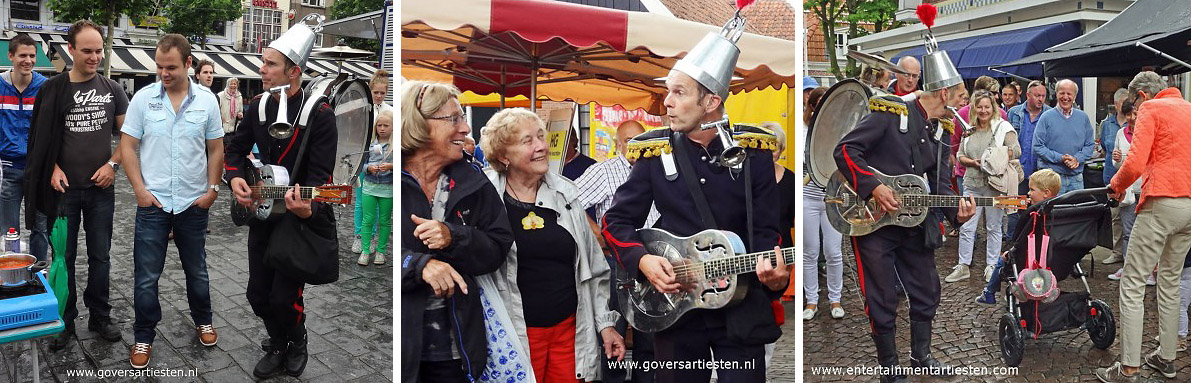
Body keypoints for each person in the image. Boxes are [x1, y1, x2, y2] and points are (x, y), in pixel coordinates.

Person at [601, 19, 788, 382]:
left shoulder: (754, 149)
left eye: (679, 93)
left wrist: (776, 279)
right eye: (667, 91)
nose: (667, 103)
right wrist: (643, 261)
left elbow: (768, 231)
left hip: (740, 307)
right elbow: (616, 221)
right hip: (676, 310)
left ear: (711, 101)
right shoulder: (654, 151)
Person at [834, 42, 976, 382]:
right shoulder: (890, 112)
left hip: (915, 224)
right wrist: (874, 187)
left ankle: (921, 356)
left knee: (927, 289)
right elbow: (846, 151)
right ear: (944, 94)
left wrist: (958, 214)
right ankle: (889, 368)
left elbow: (941, 187)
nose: (961, 108)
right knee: (880, 296)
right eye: (959, 100)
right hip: (872, 223)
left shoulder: (942, 132)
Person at [224, 25, 337, 378]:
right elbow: (236, 150)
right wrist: (236, 177)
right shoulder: (257, 105)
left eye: (270, 64)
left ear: (294, 72)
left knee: (283, 296)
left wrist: (311, 204)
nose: (262, 69)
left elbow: (322, 178)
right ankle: (278, 341)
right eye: (263, 62)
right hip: (262, 213)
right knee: (257, 294)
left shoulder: (320, 114)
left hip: (296, 218)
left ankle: (296, 339)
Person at [480, 107, 625, 382]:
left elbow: (593, 267)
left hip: (569, 331)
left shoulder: (565, 191)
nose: (541, 147)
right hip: (515, 332)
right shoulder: (486, 195)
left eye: (540, 137)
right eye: (527, 141)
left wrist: (605, 325)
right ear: (503, 155)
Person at [117, 34, 224, 368]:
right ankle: (144, 336)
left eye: (171, 67)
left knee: (198, 271)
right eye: (159, 67)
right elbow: (127, 145)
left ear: (188, 63)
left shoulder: (207, 100)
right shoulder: (143, 100)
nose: (163, 73)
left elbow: (216, 148)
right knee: (146, 276)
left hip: (194, 203)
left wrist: (213, 190)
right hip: (154, 204)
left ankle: (203, 319)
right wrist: (139, 190)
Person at [399, 81, 513, 382]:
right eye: (454, 119)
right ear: (420, 124)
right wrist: (419, 265)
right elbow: (378, 250)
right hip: (399, 345)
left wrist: (454, 236)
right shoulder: (390, 175)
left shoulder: (471, 179)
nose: (465, 129)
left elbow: (498, 246)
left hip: (455, 349)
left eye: (463, 118)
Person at [26, 20, 128, 351]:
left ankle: (100, 316)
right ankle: (64, 319)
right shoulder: (52, 89)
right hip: (63, 193)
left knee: (101, 256)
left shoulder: (113, 89)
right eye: (87, 51)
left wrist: (113, 165)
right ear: (70, 50)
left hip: (101, 192)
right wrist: (52, 168)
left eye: (99, 50)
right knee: (63, 257)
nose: (94, 56)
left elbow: (130, 137)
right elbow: (39, 141)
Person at [1097, 71, 1191, 382]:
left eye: (1133, 107)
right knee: (1170, 281)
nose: (1134, 115)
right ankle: (1166, 357)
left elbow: (1134, 164)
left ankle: (1128, 367)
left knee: (1133, 283)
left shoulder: (1152, 109)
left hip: (1161, 201)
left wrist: (1116, 184)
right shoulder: (1189, 109)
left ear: (1143, 97)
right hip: (1190, 206)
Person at [574, 119, 656, 383]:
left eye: (640, 140)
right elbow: (570, 200)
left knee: (650, 332)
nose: (635, 146)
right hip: (615, 263)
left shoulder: (655, 167)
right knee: (614, 332)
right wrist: (597, 233)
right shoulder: (604, 171)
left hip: (652, 262)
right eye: (629, 141)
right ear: (618, 145)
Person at [946, 90, 1019, 284]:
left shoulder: (1002, 127)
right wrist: (973, 162)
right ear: (974, 108)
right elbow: (960, 155)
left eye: (987, 106)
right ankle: (963, 265)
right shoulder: (969, 130)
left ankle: (992, 267)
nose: (983, 110)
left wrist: (996, 158)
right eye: (980, 107)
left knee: (994, 227)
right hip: (971, 182)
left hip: (994, 184)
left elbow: (1016, 150)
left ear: (993, 108)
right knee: (967, 225)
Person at [974, 168, 1060, 305]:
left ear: (1046, 193)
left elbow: (1020, 241)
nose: (1028, 193)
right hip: (1055, 257)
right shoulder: (1060, 211)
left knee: (1002, 260)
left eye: (1032, 190)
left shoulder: (1034, 215)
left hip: (1030, 259)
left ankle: (989, 293)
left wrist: (1009, 252)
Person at [0, 33, 48, 261]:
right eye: (22, 55)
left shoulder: (44, 87)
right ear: (11, 56)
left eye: (32, 55)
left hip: (38, 169)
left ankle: (39, 273)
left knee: (40, 227)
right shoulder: (0, 86)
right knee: (9, 230)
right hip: (8, 169)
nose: (28, 60)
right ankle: (11, 275)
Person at [801, 96, 843, 320]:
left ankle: (835, 299)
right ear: (812, 107)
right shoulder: (802, 129)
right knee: (810, 252)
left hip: (832, 198)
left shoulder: (837, 130)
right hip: (807, 198)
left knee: (833, 252)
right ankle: (811, 301)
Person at [1107, 101, 1154, 285]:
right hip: (1127, 191)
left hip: (1145, 189)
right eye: (1128, 114)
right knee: (1128, 232)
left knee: (1146, 233)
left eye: (1134, 114)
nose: (1131, 118)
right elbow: (1118, 166)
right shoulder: (1121, 133)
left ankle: (1147, 271)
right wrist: (1116, 159)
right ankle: (1127, 267)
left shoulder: (1147, 132)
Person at [352, 69, 395, 254]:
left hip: (384, 161)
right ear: (370, 91)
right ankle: (359, 236)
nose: (378, 96)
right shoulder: (362, 108)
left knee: (379, 204)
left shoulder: (390, 111)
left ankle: (372, 237)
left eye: (382, 93)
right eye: (375, 92)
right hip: (365, 158)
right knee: (361, 202)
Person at [1005, 81, 1051, 243]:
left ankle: (1034, 242)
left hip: (1039, 171)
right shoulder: (1014, 113)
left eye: (1043, 96)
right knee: (1014, 207)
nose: (1040, 99)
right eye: (1037, 96)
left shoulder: (1049, 114)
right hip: (1017, 170)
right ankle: (1013, 242)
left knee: (1038, 209)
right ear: (1028, 95)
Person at [1032, 79, 1094, 194]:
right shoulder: (1046, 117)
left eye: (1069, 93)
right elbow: (1037, 147)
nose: (1065, 97)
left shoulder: (1083, 118)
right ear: (1056, 94)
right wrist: (1061, 158)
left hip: (1076, 179)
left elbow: (1090, 145)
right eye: (1062, 93)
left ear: (1075, 96)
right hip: (1051, 179)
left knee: (1076, 211)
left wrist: (1077, 159)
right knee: (1053, 211)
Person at [357, 110, 393, 266]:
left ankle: (381, 251)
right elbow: (360, 164)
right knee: (368, 219)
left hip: (388, 188)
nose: (382, 128)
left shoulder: (396, 145)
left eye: (386, 125)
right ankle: (365, 250)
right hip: (370, 186)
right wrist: (368, 168)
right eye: (380, 125)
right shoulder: (369, 144)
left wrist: (391, 165)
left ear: (392, 127)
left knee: (385, 221)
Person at [1101, 88, 1129, 266]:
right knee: (1116, 217)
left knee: (1130, 219)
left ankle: (1128, 256)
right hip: (1111, 176)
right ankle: (1117, 251)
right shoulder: (1107, 124)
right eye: (1123, 103)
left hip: (1131, 180)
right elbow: (1105, 147)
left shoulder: (1135, 123)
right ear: (1116, 103)